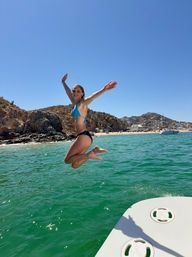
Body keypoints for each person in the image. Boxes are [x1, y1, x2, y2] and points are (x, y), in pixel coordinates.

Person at [61, 73, 117, 169]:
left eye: (78, 91)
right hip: (86, 137)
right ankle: (94, 151)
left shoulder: (83, 103)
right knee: (75, 165)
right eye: (74, 91)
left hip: (83, 136)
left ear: (82, 93)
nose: (75, 92)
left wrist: (103, 89)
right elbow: (67, 92)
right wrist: (63, 82)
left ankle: (89, 155)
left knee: (67, 160)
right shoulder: (75, 103)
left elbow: (92, 97)